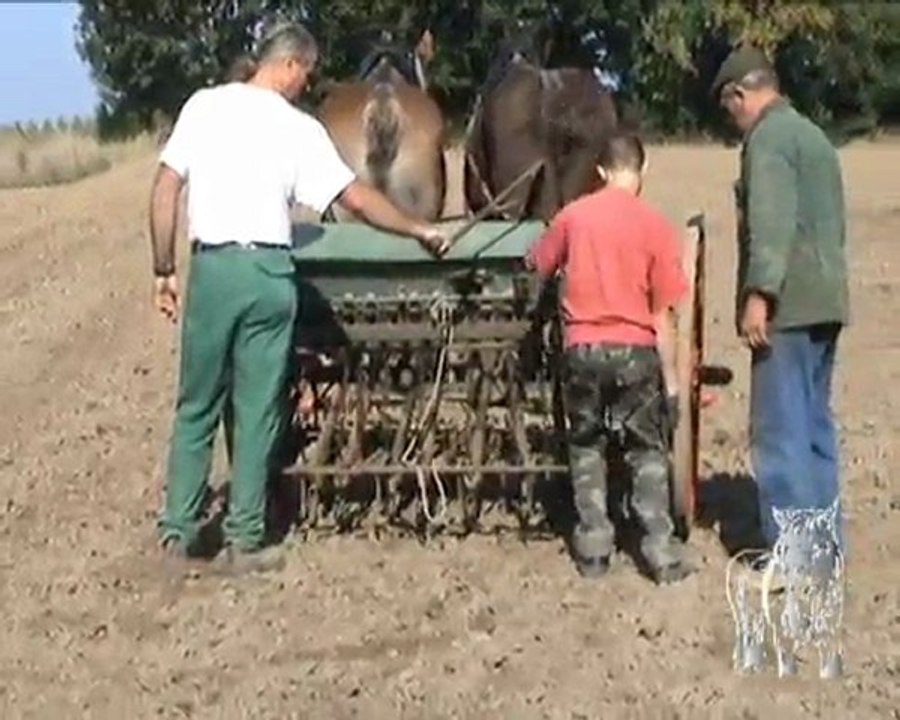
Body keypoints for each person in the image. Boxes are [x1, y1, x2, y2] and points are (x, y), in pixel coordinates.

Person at [150, 22, 448, 575]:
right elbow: (356, 199)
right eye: (305, 73)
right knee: (258, 408)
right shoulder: (298, 128)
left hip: (213, 268)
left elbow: (166, 186)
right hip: (267, 274)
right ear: (288, 65)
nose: (305, 84)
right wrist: (417, 230)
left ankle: (179, 532)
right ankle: (244, 537)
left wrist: (164, 269)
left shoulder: (203, 106)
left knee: (196, 407)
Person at [525, 132, 694, 584]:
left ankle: (595, 546)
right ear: (643, 169)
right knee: (646, 450)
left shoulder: (573, 217)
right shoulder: (656, 226)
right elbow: (663, 314)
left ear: (599, 171)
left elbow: (536, 264)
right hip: (636, 351)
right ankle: (659, 550)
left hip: (581, 349)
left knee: (585, 445)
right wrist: (673, 387)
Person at [711, 46, 849, 553]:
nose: (731, 120)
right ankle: (824, 549)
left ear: (739, 94)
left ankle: (793, 557)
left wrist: (759, 295)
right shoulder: (812, 135)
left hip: (787, 307)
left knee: (780, 433)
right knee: (814, 430)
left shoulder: (767, 140)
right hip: (826, 300)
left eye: (728, 107)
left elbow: (771, 225)